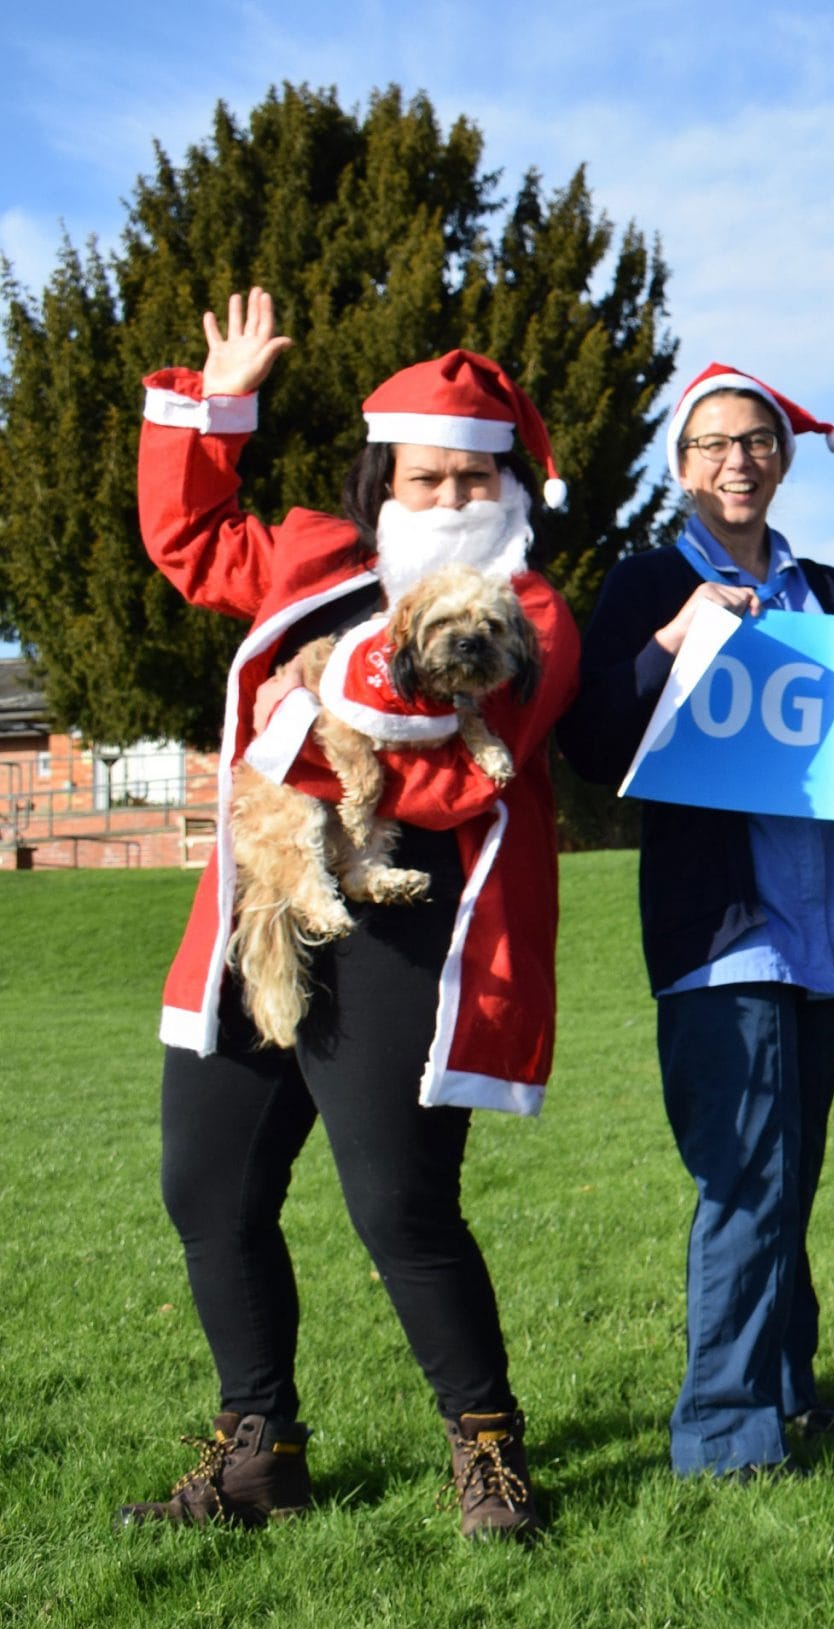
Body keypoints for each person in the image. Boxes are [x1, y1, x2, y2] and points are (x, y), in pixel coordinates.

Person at [121, 291, 580, 1541]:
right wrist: (218, 409)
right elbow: (188, 534)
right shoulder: (314, 557)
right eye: (424, 477)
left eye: (471, 477)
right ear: (386, 476)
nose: (447, 499)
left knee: (396, 1204)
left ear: (508, 490)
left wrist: (290, 728)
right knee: (207, 1189)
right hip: (256, 911)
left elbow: (443, 774)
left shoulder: (528, 615)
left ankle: (487, 1448)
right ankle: (254, 1446)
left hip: (401, 928)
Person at [555, 363, 834, 1480]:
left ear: (783, 456)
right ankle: (721, 1433)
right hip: (723, 934)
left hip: (821, 921)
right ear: (682, 465)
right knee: (745, 1175)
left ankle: (787, 1388)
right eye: (712, 445)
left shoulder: (832, 593)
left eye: (754, 441)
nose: (736, 461)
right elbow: (593, 739)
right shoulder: (645, 580)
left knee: (788, 1172)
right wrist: (668, 643)